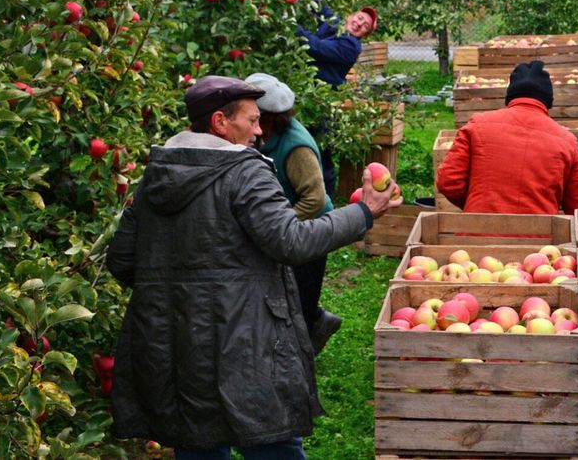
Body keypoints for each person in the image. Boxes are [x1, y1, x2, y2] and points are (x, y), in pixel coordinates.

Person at [107, 75, 401, 459]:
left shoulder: (157, 175)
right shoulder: (244, 172)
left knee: (198, 438)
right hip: (244, 333)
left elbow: (122, 260)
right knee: (271, 437)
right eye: (251, 120)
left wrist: (178, 292)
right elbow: (291, 241)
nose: (259, 130)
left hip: (174, 338)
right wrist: (365, 212)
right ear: (220, 122)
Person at [245, 72, 341, 354]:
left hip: (310, 227)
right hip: (288, 221)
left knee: (300, 296)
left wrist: (277, 227)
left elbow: (314, 199)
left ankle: (309, 337)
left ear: (269, 117)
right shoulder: (264, 138)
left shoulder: (296, 146)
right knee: (285, 293)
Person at [436, 60, 578, 215]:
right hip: (542, 239)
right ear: (547, 101)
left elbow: (448, 181)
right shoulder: (566, 141)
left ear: (510, 96)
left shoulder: (477, 125)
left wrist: (477, 207)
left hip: (477, 235)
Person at [294, 2, 378, 200]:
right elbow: (322, 7)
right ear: (350, 16)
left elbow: (316, 47)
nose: (359, 23)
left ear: (363, 35)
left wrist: (291, 26)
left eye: (364, 25)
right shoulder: (336, 25)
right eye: (359, 17)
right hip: (304, 95)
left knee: (321, 150)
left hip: (321, 102)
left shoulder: (350, 46)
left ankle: (326, 200)